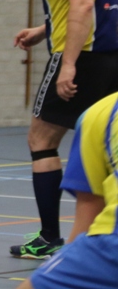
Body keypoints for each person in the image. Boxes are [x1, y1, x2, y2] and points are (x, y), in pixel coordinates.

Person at [9, 0, 118, 259]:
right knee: (106, 142)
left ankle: (50, 238)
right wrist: (44, 29)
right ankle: (101, 232)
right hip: (110, 56)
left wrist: (68, 63)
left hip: (83, 57)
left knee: (41, 140)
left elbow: (83, 5)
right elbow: (95, 3)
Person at [17, 91, 118, 289]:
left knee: (41, 142)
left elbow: (89, 207)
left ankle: (49, 235)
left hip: (112, 243)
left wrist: (66, 260)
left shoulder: (102, 113)